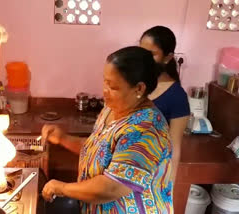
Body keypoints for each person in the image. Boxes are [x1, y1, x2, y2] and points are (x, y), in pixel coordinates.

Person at [41, 46, 174, 213]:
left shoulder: (147, 130)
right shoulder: (111, 109)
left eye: (113, 86)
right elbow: (99, 150)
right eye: (105, 81)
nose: (105, 91)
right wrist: (63, 138)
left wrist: (61, 188)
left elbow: (111, 188)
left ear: (139, 88)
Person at [140, 26, 190, 181]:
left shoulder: (177, 97)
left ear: (167, 58)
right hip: (124, 166)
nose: (143, 59)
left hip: (151, 172)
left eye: (151, 54)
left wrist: (169, 188)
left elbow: (174, 149)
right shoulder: (136, 82)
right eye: (141, 52)